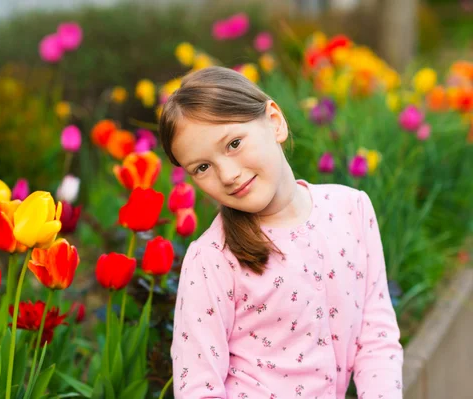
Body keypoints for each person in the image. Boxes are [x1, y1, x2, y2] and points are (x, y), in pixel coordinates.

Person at [159, 66, 403, 398]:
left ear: (274, 121)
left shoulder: (351, 209)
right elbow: (198, 387)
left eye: (233, 143)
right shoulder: (212, 260)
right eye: (202, 167)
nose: (228, 174)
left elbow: (376, 336)